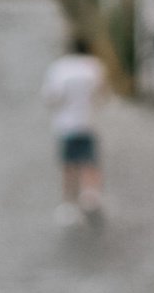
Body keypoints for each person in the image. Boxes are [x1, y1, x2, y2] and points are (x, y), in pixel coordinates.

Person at [43, 34, 108, 226]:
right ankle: (90, 196)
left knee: (68, 166)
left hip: (66, 125)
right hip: (88, 123)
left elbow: (52, 97)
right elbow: (101, 94)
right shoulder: (94, 66)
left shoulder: (59, 69)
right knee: (89, 162)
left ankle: (69, 205)